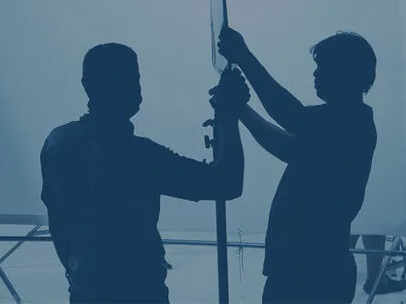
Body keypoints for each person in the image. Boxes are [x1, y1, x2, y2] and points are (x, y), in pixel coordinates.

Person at [41, 43, 249, 303]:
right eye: (124, 79)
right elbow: (226, 183)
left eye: (134, 78)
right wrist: (229, 115)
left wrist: (77, 273)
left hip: (83, 291)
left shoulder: (57, 143)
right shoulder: (137, 155)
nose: (135, 88)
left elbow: (57, 219)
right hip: (139, 292)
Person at [217, 27, 378, 304]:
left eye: (323, 68)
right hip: (307, 267)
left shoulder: (349, 123)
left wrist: (243, 57)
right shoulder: (346, 121)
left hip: (310, 270)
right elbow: (286, 146)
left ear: (345, 74)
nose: (316, 75)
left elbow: (290, 116)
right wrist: (240, 108)